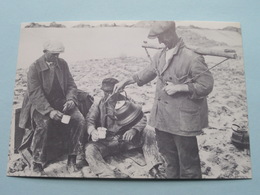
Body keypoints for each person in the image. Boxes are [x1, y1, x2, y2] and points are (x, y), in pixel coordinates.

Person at [113, 21, 214, 179]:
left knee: (189, 165)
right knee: (169, 160)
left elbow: (206, 85)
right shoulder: (160, 55)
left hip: (183, 122)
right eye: (157, 38)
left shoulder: (192, 57)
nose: (159, 42)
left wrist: (180, 87)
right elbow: (144, 74)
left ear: (172, 32)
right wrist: (125, 81)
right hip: (162, 119)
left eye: (161, 37)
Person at [18, 40, 86, 175]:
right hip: (40, 105)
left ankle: (72, 159)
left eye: (58, 54)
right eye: (53, 54)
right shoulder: (34, 67)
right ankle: (37, 163)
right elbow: (35, 93)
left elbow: (71, 85)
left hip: (61, 102)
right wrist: (49, 111)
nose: (56, 57)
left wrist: (71, 99)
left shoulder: (63, 64)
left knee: (79, 120)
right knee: (44, 124)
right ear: (45, 52)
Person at [85, 78, 163, 178]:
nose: (108, 95)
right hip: (107, 142)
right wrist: (92, 131)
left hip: (126, 140)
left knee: (149, 131)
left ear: (118, 90)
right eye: (106, 92)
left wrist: (134, 130)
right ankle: (107, 174)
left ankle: (154, 166)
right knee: (89, 149)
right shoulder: (98, 104)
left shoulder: (127, 101)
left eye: (111, 92)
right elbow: (89, 120)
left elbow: (142, 117)